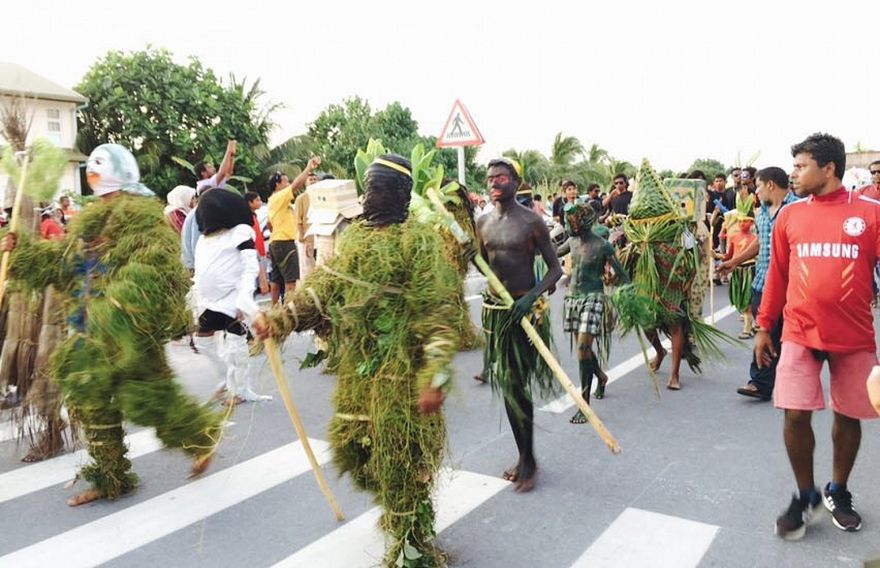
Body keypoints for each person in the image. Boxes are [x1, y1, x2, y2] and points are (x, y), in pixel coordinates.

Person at [253, 154, 458, 566]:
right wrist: (279, 319)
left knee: (400, 462)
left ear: (399, 194)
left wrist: (434, 375)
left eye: (376, 188)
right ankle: (401, 514)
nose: (367, 197)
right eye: (366, 188)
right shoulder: (355, 240)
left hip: (402, 378)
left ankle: (412, 549)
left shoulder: (418, 243)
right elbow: (324, 289)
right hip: (359, 375)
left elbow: (438, 314)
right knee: (355, 452)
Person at [0, 143, 222, 506]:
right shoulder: (90, 222)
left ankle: (199, 438)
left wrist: (116, 308)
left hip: (128, 336)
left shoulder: (143, 221)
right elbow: (63, 261)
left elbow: (156, 272)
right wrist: (21, 250)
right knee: (89, 399)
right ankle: (110, 476)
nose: (106, 198)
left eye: (108, 189)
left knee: (148, 399)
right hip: (89, 334)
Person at [756, 133, 880, 539]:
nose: (793, 174)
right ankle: (806, 493)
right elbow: (777, 275)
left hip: (854, 336)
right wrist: (763, 326)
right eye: (793, 166)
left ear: (828, 169)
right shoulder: (790, 216)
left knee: (848, 415)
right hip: (799, 331)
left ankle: (837, 490)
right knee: (794, 413)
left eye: (801, 166)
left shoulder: (870, 214)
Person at [477, 157, 563, 492]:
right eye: (490, 178)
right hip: (498, 314)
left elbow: (555, 270)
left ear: (516, 182)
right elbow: (485, 266)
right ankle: (524, 456)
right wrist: (471, 258)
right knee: (509, 385)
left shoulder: (532, 222)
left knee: (517, 384)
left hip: (526, 314)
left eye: (501, 177)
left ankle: (528, 460)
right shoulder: (482, 222)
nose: (494, 182)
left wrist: (531, 297)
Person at [717, 166, 798, 400]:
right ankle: (761, 382)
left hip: (791, 284)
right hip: (763, 282)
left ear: (771, 185)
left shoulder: (797, 209)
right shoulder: (761, 212)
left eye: (759, 186)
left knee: (785, 334)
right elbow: (759, 242)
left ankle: (781, 378)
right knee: (765, 330)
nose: (756, 191)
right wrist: (734, 262)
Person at [192, 189, 271, 405]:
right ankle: (226, 380)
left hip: (234, 297)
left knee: (236, 343)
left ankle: (239, 390)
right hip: (209, 300)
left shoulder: (241, 232)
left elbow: (249, 266)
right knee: (202, 340)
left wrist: (249, 306)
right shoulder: (204, 240)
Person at [557, 203, 627, 423]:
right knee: (584, 350)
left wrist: (622, 295)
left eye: (571, 222)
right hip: (572, 299)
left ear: (583, 222)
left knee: (582, 350)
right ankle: (601, 376)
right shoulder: (572, 241)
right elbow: (552, 253)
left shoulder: (602, 246)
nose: (569, 226)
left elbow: (623, 275)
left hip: (593, 298)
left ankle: (584, 405)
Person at [267, 159, 320, 303]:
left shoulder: (274, 201)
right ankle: (289, 308)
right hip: (285, 243)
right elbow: (296, 185)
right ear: (277, 184)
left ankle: (274, 308)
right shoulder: (279, 197)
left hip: (275, 242)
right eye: (286, 182)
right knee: (290, 280)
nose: (288, 184)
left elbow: (269, 224)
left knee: (276, 280)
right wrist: (308, 169)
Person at [720, 216, 757, 338]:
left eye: (745, 221)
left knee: (749, 298)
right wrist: (717, 255)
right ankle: (750, 323)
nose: (742, 224)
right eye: (739, 221)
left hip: (750, 269)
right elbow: (728, 256)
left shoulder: (755, 238)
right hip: (737, 270)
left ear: (751, 222)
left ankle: (747, 327)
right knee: (740, 298)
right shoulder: (734, 237)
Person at [293, 170, 318, 281]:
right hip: (305, 234)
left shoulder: (320, 196)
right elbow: (298, 218)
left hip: (317, 234)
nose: (313, 181)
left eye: (315, 179)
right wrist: (301, 234)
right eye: (310, 179)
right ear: (305, 183)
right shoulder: (301, 198)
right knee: (306, 266)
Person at [245, 191, 270, 295]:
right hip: (256, 253)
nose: (260, 202)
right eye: (257, 200)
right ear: (250, 203)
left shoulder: (254, 216)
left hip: (261, 251)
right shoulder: (247, 218)